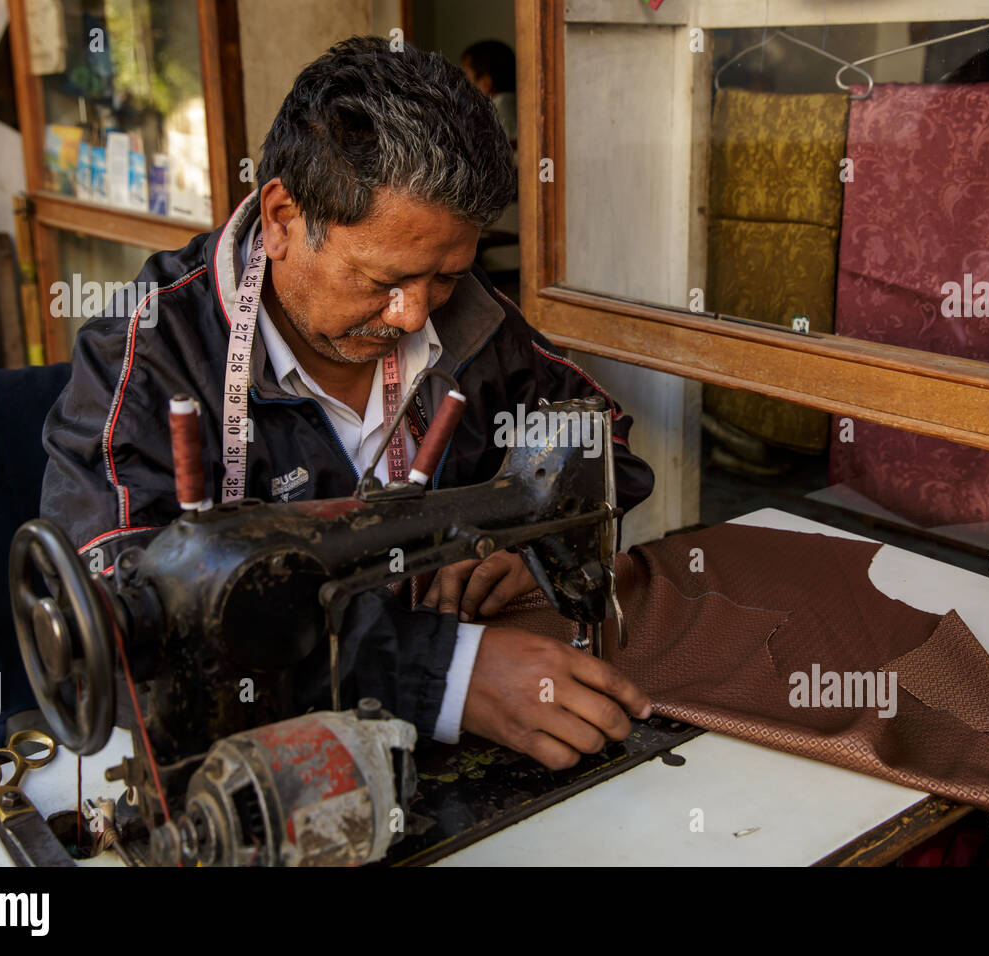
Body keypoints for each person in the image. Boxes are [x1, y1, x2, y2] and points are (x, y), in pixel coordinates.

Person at [41, 36, 655, 771]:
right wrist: (448, 675)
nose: (411, 315)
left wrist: (535, 545)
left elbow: (597, 440)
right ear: (281, 218)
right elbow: (132, 632)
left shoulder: (463, 321)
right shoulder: (142, 359)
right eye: (382, 281)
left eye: (448, 276)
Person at [461, 40, 516, 147]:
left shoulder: (499, 110)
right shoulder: (513, 105)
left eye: (466, 76)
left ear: (486, 81)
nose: (462, 85)